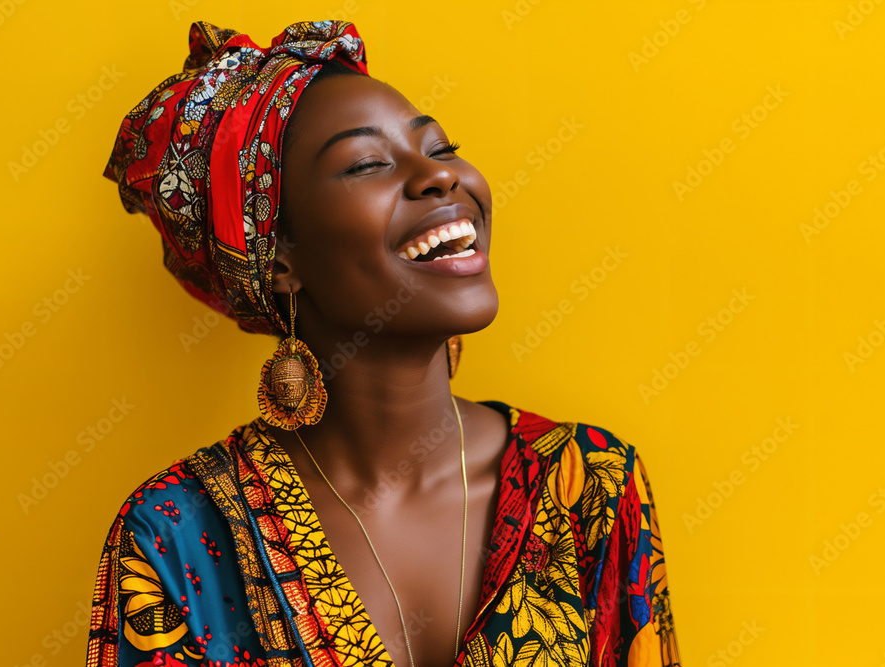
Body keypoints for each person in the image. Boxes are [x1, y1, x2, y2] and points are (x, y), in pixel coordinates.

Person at [87, 19, 682, 667]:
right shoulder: (177, 535)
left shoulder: (587, 484)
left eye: (443, 148)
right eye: (368, 163)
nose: (439, 177)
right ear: (278, 258)